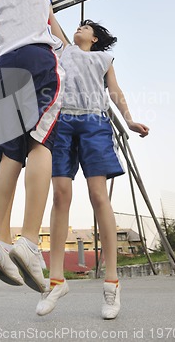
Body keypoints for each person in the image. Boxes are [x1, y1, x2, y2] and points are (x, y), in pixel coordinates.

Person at [35, 18, 149, 319]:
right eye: (79, 26)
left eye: (86, 28)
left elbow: (114, 92)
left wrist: (129, 120)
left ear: (95, 39)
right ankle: (56, 281)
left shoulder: (102, 59)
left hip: (94, 123)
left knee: (99, 195)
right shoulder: (65, 50)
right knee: (60, 195)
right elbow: (49, 13)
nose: (80, 29)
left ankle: (111, 283)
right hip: (63, 121)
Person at [0, 0, 64, 293]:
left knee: (10, 155)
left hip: (4, 69)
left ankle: (1, 240)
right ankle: (29, 242)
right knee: (39, 143)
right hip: (37, 61)